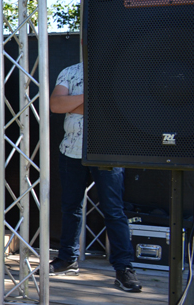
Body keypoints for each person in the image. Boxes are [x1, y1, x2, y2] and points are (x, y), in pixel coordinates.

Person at [49, 61, 141, 291]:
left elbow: (122, 107)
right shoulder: (69, 71)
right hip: (71, 151)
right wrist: (92, 99)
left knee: (113, 210)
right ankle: (67, 259)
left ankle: (124, 268)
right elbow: (56, 104)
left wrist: (75, 101)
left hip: (108, 151)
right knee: (70, 207)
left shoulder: (120, 72)